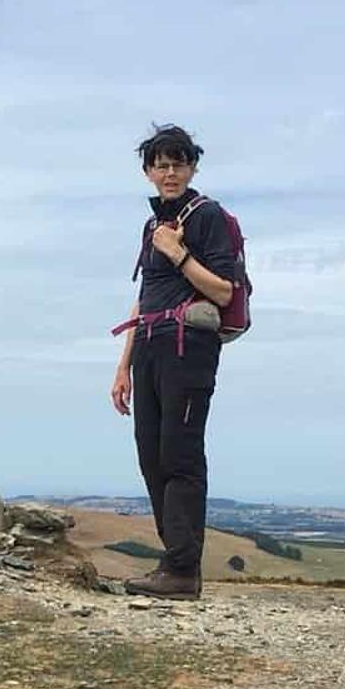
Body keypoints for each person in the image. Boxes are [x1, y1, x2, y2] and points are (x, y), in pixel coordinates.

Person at [109, 123, 239, 600]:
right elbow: (145, 297)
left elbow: (224, 291)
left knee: (180, 455)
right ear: (147, 171)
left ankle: (183, 570)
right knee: (152, 456)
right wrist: (123, 366)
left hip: (189, 348)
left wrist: (178, 253)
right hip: (149, 345)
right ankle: (174, 562)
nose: (169, 172)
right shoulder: (152, 225)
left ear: (193, 166)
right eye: (160, 164)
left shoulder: (208, 217)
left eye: (178, 163)